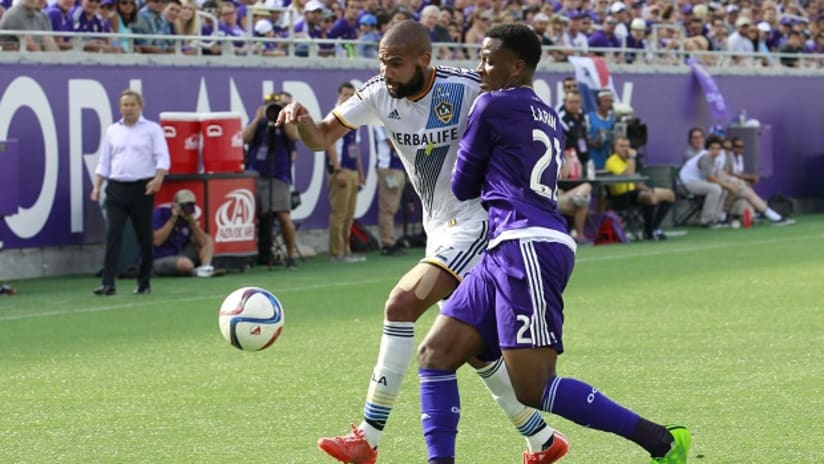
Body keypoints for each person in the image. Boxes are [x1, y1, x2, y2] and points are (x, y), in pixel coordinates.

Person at [277, 19, 563, 464]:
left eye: (395, 63)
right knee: (474, 349)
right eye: (382, 63)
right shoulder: (376, 92)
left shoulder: (467, 87)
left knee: (401, 305)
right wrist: (302, 122)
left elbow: (520, 108)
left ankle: (367, 438)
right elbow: (322, 138)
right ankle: (542, 440)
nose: (387, 71)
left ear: (424, 60)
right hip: (440, 230)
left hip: (477, 225)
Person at [416, 23, 691, 464]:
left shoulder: (490, 105)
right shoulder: (548, 113)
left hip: (526, 247)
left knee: (533, 386)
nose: (480, 67)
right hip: (508, 243)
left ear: (518, 66)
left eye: (489, 59)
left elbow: (463, 185)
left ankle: (662, 441)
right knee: (436, 353)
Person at [91, 89, 170, 296]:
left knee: (144, 236)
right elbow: (105, 161)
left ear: (140, 106)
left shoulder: (152, 130)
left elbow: (162, 157)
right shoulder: (112, 131)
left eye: (132, 105)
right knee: (113, 234)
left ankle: (144, 282)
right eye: (125, 105)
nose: (128, 109)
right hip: (116, 187)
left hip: (142, 187)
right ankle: (108, 283)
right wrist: (97, 186)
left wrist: (158, 178)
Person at [242, 92, 301, 269]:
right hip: (256, 174)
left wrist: (283, 118)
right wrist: (257, 118)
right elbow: (244, 138)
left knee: (283, 216)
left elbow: (294, 137)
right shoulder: (259, 123)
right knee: (252, 216)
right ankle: (254, 255)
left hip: (278, 175)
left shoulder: (286, 123)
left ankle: (290, 255)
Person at [326, 82, 367, 263]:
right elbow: (330, 144)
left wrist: (360, 172)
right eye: (345, 94)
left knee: (349, 214)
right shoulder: (335, 116)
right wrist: (337, 169)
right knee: (339, 213)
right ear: (338, 95)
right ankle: (337, 252)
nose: (348, 98)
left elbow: (355, 147)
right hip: (341, 169)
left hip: (352, 171)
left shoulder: (353, 117)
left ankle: (346, 249)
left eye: (351, 95)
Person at [605, 136, 675, 240]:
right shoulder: (612, 161)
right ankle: (648, 232)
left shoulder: (628, 160)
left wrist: (647, 189)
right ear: (615, 148)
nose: (626, 149)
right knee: (649, 197)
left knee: (669, 194)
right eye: (622, 146)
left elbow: (636, 181)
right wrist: (632, 158)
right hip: (621, 196)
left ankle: (654, 227)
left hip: (634, 192)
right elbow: (629, 176)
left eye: (627, 146)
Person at [152, 189, 219, 277]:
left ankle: (206, 268)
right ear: (176, 205)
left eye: (191, 206)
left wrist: (192, 221)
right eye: (185, 206)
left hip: (180, 254)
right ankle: (196, 272)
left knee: (208, 239)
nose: (188, 209)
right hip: (159, 258)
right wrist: (173, 218)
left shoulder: (188, 218)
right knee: (185, 264)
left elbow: (203, 242)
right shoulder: (159, 214)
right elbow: (157, 241)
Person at [372, 124, 406, 256]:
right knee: (387, 207)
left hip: (398, 166)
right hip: (388, 167)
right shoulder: (381, 120)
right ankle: (387, 242)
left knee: (393, 206)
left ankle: (390, 239)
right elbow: (391, 142)